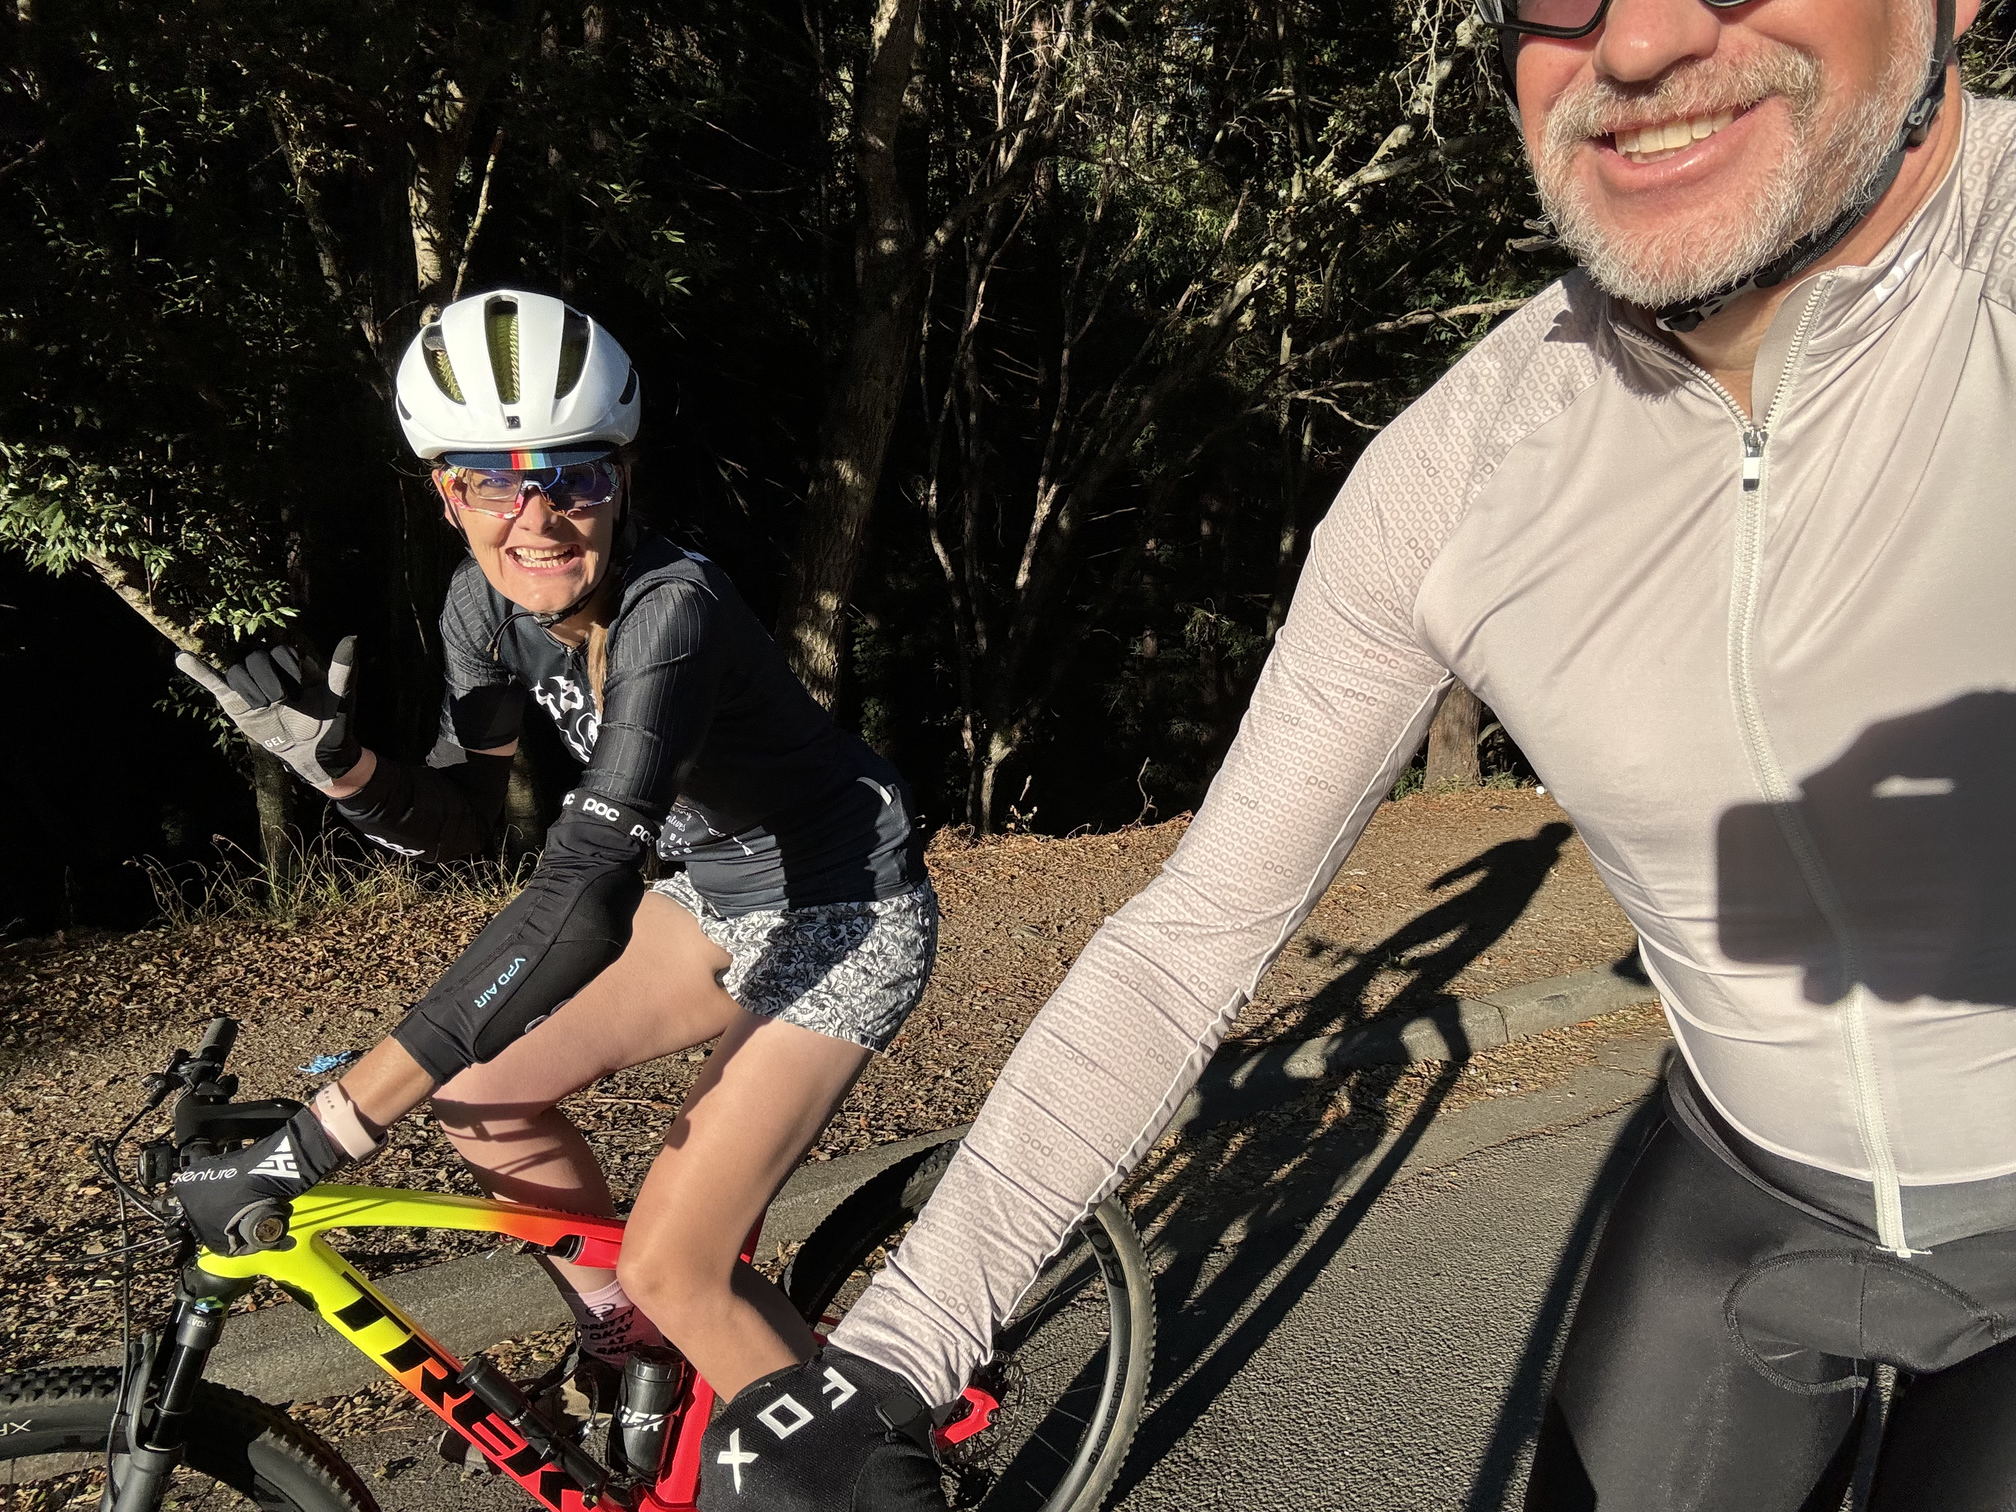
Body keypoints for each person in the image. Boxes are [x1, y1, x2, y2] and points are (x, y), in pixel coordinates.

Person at [683, 0, 2016, 1508]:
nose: (1636, 43)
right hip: (1745, 1197)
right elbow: (1190, 942)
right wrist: (891, 1356)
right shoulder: (1463, 469)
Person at [170, 289, 939, 1434]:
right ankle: (623, 1334)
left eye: (571, 476)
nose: (535, 516)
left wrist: (327, 1134)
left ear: (619, 481)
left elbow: (581, 895)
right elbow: (469, 820)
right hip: (715, 896)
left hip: (844, 907)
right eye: (489, 476)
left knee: (685, 1268)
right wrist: (344, 772)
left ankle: (870, 1478)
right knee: (481, 1096)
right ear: (447, 493)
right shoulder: (481, 609)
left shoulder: (669, 613)